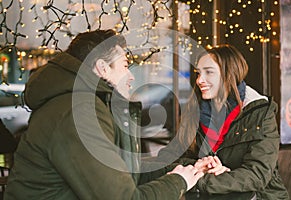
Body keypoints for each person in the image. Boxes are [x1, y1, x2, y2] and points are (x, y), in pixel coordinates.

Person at [4, 29, 211, 200]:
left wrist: (188, 169)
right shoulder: (78, 113)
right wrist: (178, 182)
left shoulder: (90, 105)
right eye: (124, 66)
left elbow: (126, 170)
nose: (130, 76)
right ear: (102, 68)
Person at [156, 44, 290, 199]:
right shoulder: (194, 111)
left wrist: (201, 179)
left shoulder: (260, 112)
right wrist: (200, 167)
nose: (200, 80)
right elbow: (167, 159)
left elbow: (257, 174)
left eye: (209, 72)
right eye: (198, 73)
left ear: (229, 74)